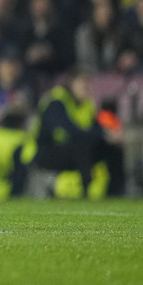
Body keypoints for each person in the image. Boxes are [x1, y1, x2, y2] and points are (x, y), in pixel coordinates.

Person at [30, 68, 125, 197]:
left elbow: (95, 128)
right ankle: (85, 190)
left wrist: (108, 136)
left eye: (88, 83)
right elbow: (67, 130)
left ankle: (115, 192)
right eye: (82, 82)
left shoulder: (87, 105)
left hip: (74, 150)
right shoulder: (56, 102)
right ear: (71, 84)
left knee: (112, 148)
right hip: (46, 152)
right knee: (80, 146)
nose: (86, 86)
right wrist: (101, 134)